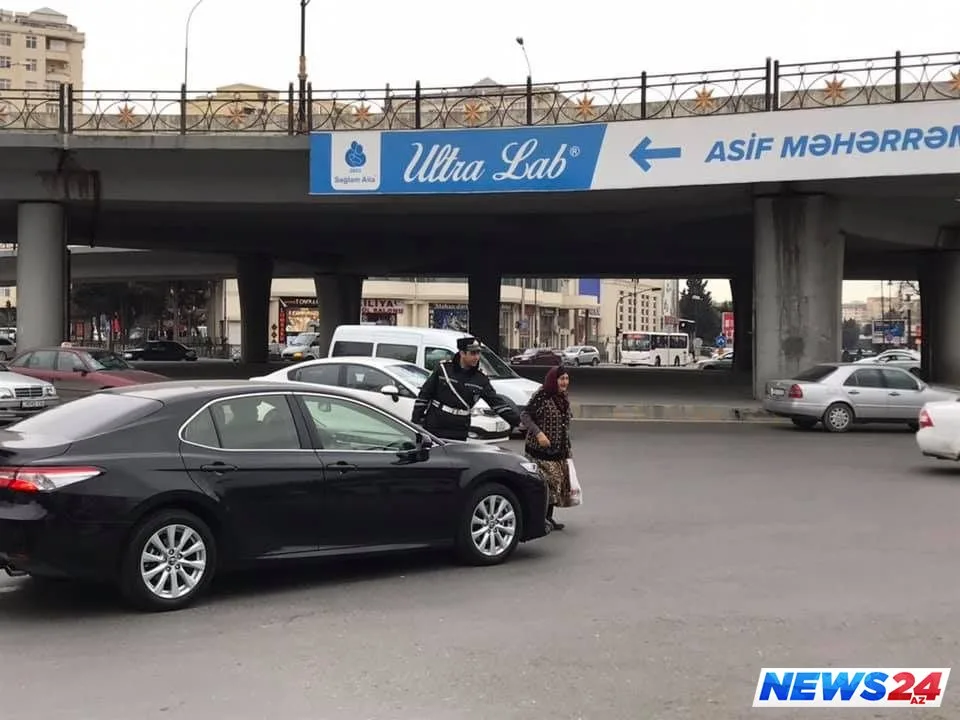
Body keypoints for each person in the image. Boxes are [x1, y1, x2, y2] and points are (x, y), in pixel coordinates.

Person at [412, 336, 521, 441]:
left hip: (459, 429)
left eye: (478, 353)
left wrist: (518, 422)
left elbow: (497, 403)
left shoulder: (480, 379)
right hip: (436, 425)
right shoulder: (444, 370)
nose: (477, 357)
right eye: (473, 353)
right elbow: (424, 395)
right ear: (462, 353)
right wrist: (416, 421)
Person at [521, 365, 573, 531]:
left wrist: (567, 449)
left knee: (554, 485)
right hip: (539, 451)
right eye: (561, 379)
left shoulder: (563, 397)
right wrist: (539, 433)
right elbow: (525, 415)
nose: (564, 382)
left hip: (558, 450)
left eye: (566, 378)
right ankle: (539, 520)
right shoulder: (542, 396)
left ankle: (548, 518)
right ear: (553, 380)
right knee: (544, 485)